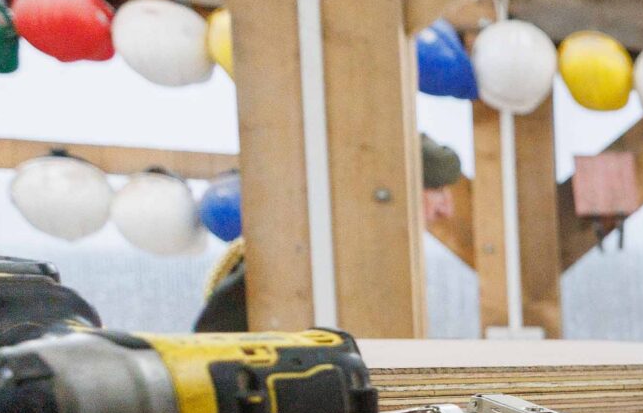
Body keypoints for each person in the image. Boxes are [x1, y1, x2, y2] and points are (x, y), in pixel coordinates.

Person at [193, 135, 463, 331]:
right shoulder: (301, 256)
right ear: (392, 191)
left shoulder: (373, 260)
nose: (446, 210)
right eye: (437, 190)